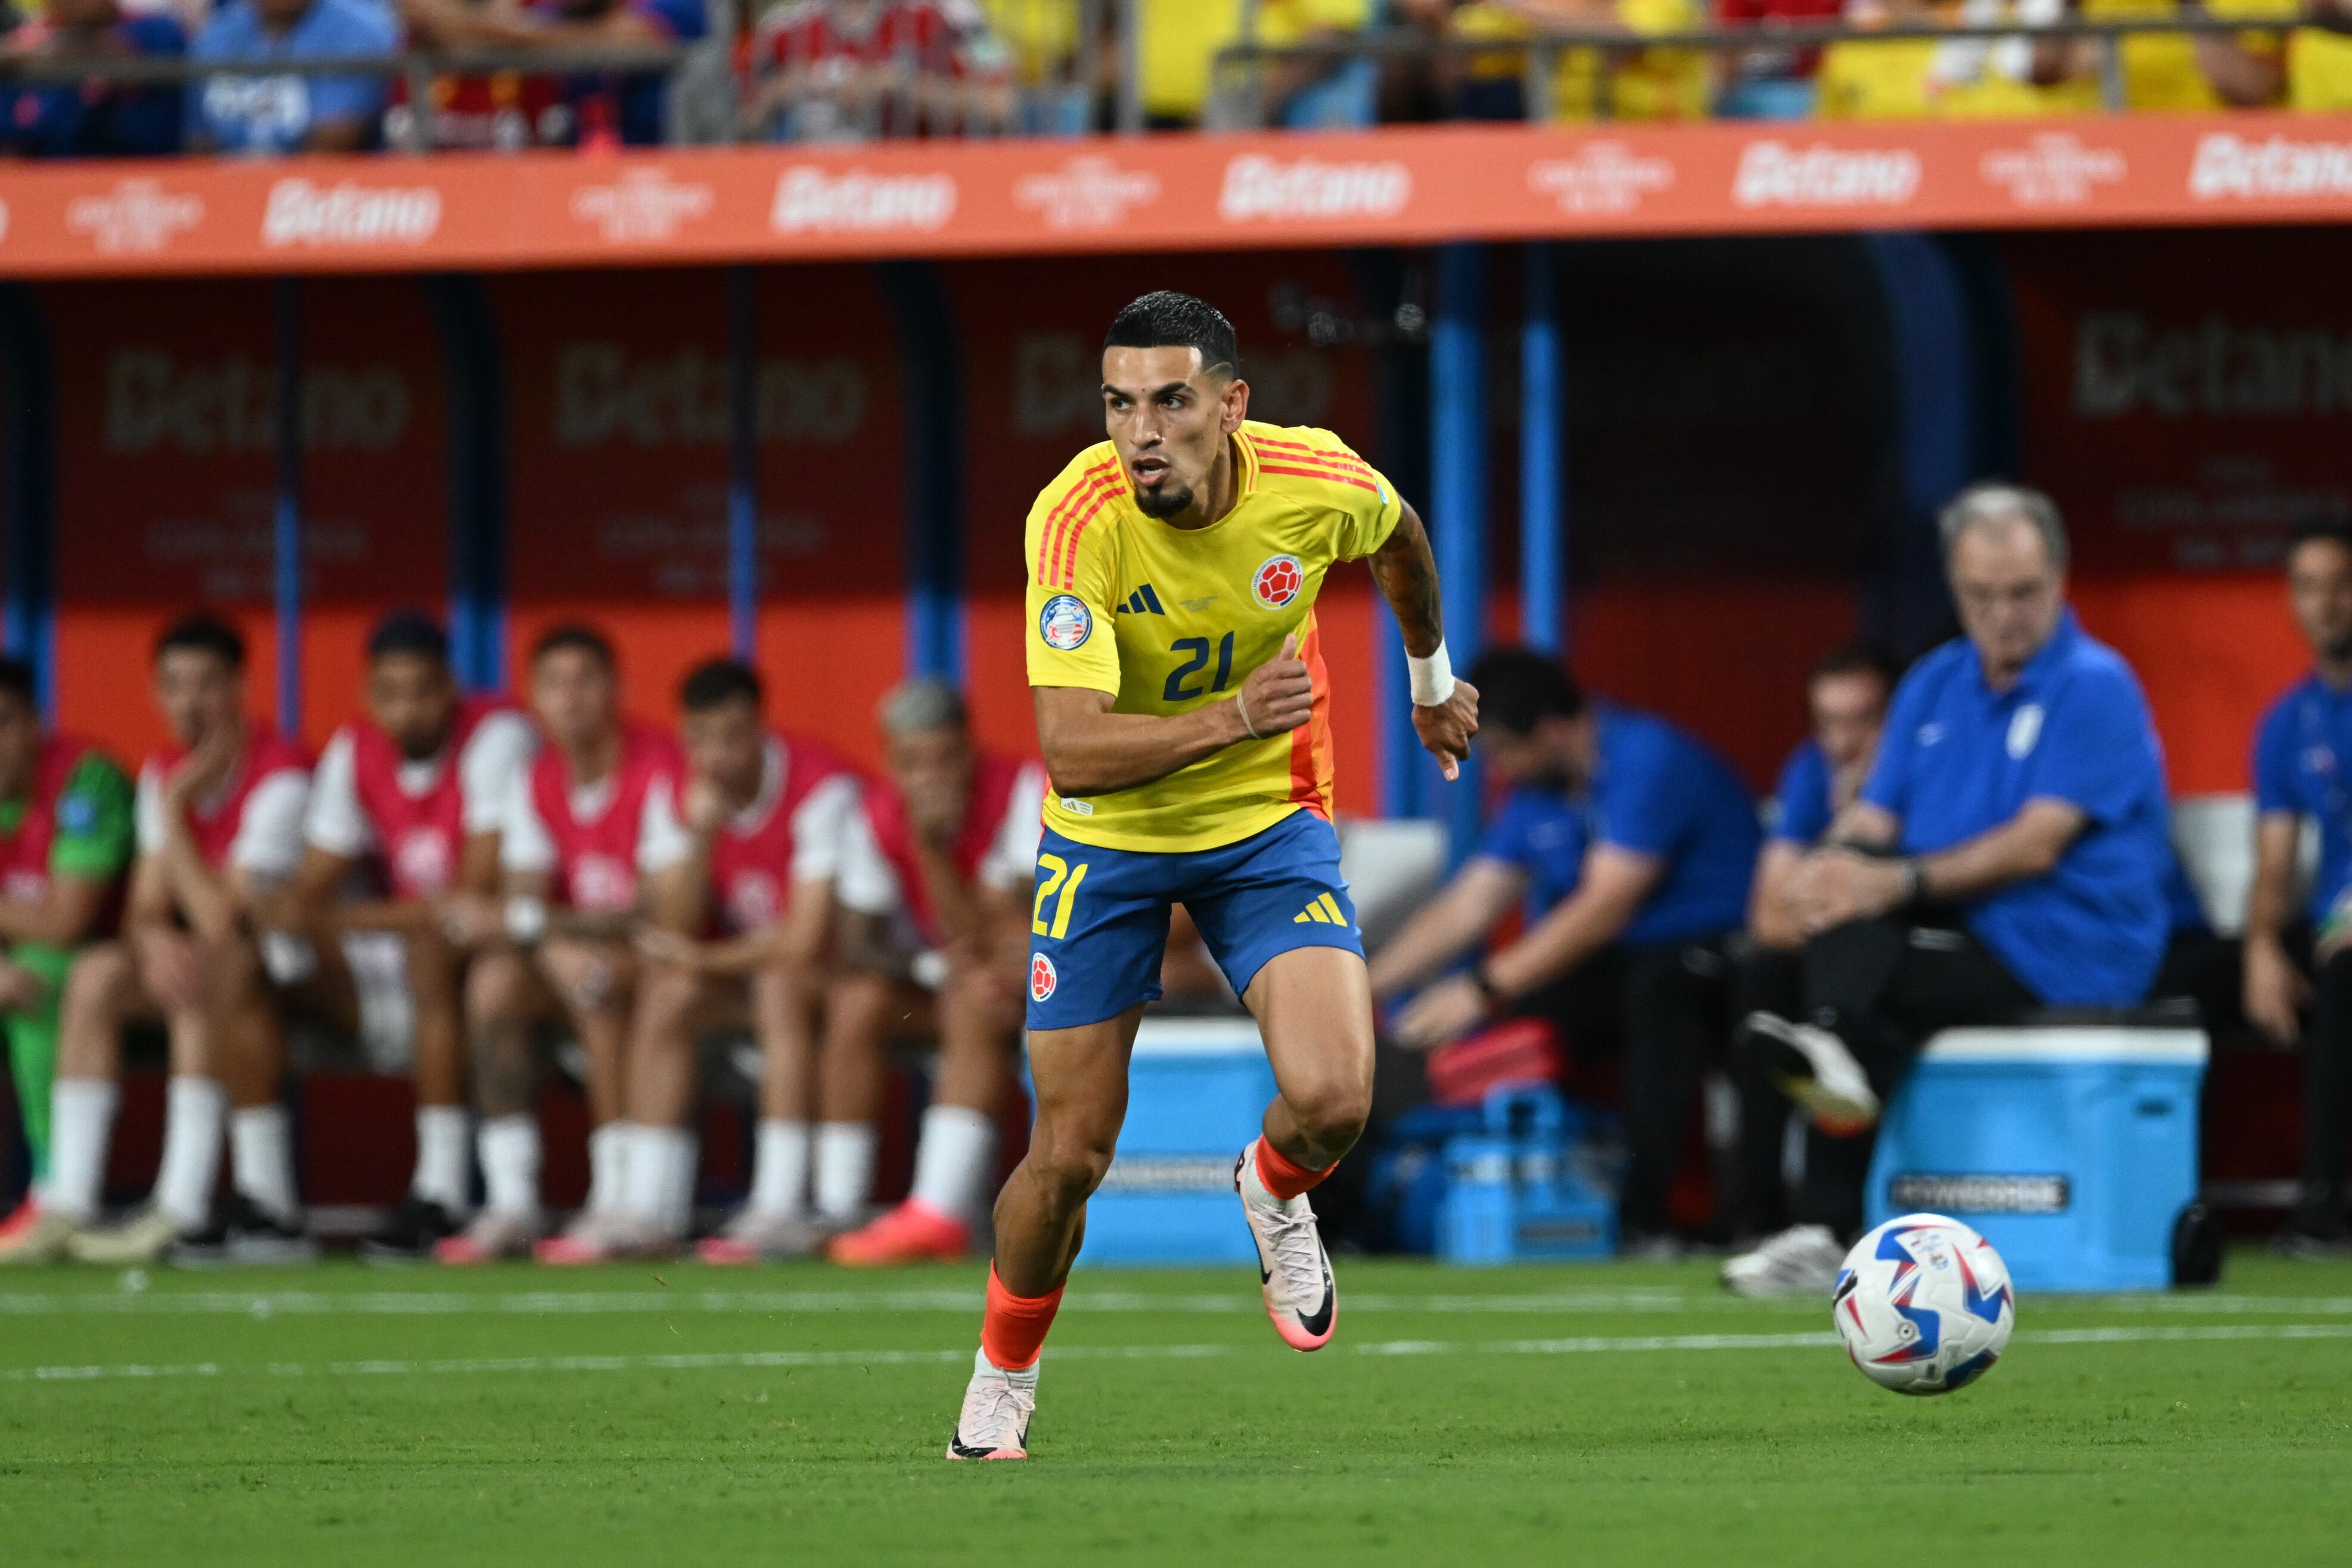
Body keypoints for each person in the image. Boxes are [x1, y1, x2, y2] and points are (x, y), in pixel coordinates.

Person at [947, 291, 1478, 1460]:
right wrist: (1235, 709)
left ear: (1229, 407)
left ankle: (1272, 1185)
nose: (1141, 431)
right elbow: (1071, 746)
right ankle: (1001, 1374)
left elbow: (1396, 537)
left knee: (1339, 1098)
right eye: (1119, 403)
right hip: (1107, 837)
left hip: (1263, 824)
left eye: (1170, 402)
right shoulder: (1076, 517)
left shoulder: (1312, 481)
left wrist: (1430, 675)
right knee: (1069, 1153)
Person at [1723, 484, 2173, 1296]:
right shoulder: (1932, 682)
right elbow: (1875, 815)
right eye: (1981, 594)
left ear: (2060, 580)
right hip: (1961, 926)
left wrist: (1887, 878)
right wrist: (1827, 864)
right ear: (1954, 588)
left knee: (1858, 956)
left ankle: (1824, 1217)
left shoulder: (2096, 684)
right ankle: (1808, 1161)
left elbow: (2036, 845)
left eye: (2023, 591)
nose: (2004, 612)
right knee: (1813, 943)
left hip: (2069, 946)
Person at [1368, 648, 1762, 1254]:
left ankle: (1647, 1222)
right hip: (1622, 962)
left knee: (1656, 995)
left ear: (1551, 731)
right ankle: (1506, 1196)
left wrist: (1479, 988)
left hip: (1718, 958)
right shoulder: (1537, 794)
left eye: (1502, 749)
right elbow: (1467, 904)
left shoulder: (1648, 759)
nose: (1497, 767)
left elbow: (1603, 908)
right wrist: (1360, 989)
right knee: (1516, 1018)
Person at [20, 616, 314, 1265]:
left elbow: (218, 920)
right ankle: (68, 1201)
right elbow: (147, 911)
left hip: (299, 976)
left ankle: (180, 1205)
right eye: (175, 686)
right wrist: (152, 942)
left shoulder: (280, 773)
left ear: (241, 686)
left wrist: (177, 811)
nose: (191, 702)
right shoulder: (163, 772)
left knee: (210, 965)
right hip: (214, 969)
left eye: (208, 684)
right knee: (99, 973)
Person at [268, 611, 536, 1260]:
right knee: (237, 963)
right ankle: (260, 1201)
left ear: (450, 687)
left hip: (498, 949)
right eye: (389, 693)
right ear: (367, 694)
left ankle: (441, 1189)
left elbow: (471, 894)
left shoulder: (496, 735)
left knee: (432, 948)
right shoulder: (354, 748)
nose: (406, 711)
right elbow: (314, 882)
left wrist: (334, 919)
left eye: (422, 690)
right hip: (398, 953)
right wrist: (286, 912)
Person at [432, 625, 697, 1265]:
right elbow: (527, 900)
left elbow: (657, 912)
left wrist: (543, 934)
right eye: (554, 684)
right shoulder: (537, 777)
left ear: (616, 689)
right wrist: (550, 943)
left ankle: (619, 1197)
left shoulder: (660, 767)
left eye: (584, 681)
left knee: (598, 978)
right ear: (534, 697)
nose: (570, 698)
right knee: (495, 980)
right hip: (579, 958)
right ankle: (512, 1200)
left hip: (669, 959)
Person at [619, 657, 859, 1263]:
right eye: (700, 739)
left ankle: (778, 1205)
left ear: (760, 727)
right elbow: (669, 926)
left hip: (832, 979)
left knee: (777, 983)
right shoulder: (677, 793)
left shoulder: (819, 786)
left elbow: (806, 938)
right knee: (667, 992)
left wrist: (701, 959)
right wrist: (700, 838)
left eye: (731, 736)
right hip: (742, 977)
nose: (717, 755)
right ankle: (650, 1209)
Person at [820, 678, 1045, 1268]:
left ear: (969, 748)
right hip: (954, 983)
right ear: (890, 761)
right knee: (857, 1002)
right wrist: (931, 966)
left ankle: (939, 1211)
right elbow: (855, 945)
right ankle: (837, 1206)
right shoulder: (872, 813)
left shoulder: (1019, 791)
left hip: (1032, 983)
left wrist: (929, 848)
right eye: (912, 762)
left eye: (944, 757)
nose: (929, 777)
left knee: (978, 991)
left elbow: (1005, 929)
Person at [1732, 643, 1894, 1238]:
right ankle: (1759, 1215)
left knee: (1859, 972)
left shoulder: (1924, 771)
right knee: (1761, 979)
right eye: (1828, 723)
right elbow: (1767, 915)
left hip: (1897, 953)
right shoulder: (1811, 772)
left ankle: (1835, 1221)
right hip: (1825, 955)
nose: (1842, 743)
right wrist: (1839, 832)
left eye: (1863, 721)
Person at [0, 663, 137, 1261]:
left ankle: (53, 1188)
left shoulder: (85, 780)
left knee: (38, 971)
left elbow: (66, 921)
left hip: (115, 970)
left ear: (35, 725)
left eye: (2, 724)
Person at [2243, 517, 2352, 1256]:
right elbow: (2275, 861)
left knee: (2346, 976)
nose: (2326, 603)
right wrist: (2258, 949)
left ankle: (2319, 1207)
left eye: (2342, 585)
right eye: (2309, 586)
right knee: (2203, 974)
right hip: (2330, 925)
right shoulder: (2287, 722)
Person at [395, 0, 704, 148]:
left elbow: (610, 44)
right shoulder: (555, 13)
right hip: (567, 177)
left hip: (659, 182)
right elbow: (472, 49)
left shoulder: (678, 5)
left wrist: (461, 23)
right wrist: (433, 18)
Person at [188, 0, 398, 155]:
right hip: (224, 190)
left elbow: (334, 146)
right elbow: (199, 143)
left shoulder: (360, 32)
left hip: (314, 197)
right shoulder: (216, 36)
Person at [0, 0, 185, 158]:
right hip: (47, 183)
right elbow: (13, 149)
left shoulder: (158, 32)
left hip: (150, 177)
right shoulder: (23, 47)